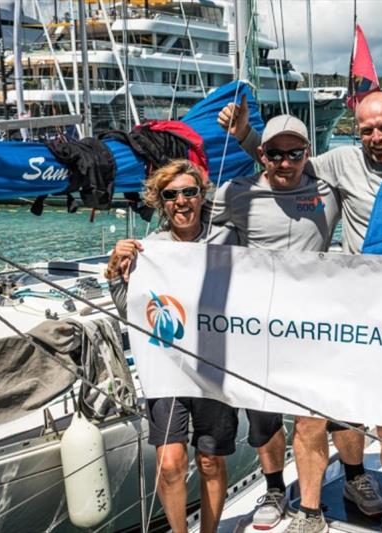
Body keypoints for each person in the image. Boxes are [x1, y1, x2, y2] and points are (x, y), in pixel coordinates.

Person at [219, 91, 382, 533]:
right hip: (350, 310)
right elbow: (285, 162)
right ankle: (320, 502)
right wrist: (245, 133)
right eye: (366, 129)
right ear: (356, 131)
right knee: (322, 411)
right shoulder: (342, 163)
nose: (376, 136)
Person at [205, 114, 382, 533]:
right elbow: (194, 235)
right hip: (258, 324)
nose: (285, 162)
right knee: (265, 416)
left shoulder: (325, 189)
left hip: (317, 323)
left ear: (308, 154)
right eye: (275, 153)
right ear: (262, 155)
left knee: (337, 410)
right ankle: (273, 488)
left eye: (296, 153)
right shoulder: (236, 193)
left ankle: (355, 476)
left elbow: (380, 171)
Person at [105, 159, 236, 533]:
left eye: (189, 192)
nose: (181, 201)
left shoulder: (227, 239)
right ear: (161, 202)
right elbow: (129, 309)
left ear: (201, 196)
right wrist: (117, 270)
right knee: (170, 463)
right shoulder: (149, 250)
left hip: (215, 367)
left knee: (210, 460)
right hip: (165, 368)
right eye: (171, 195)